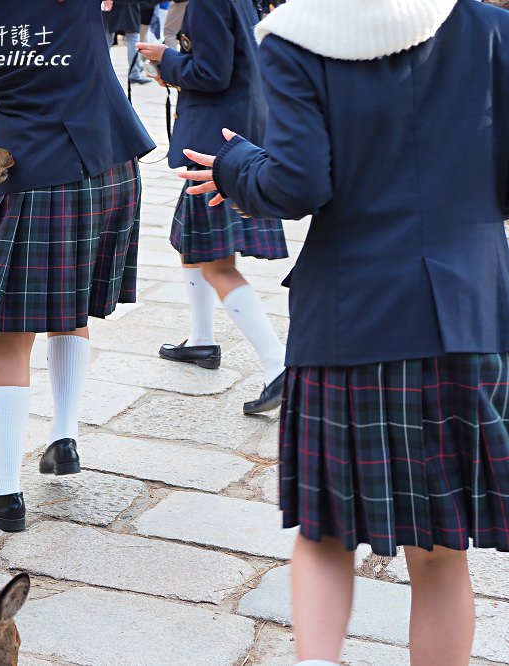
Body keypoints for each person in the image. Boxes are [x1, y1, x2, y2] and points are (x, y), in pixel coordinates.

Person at [180, 1, 509, 664]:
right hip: (470, 314)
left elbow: (299, 183)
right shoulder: (492, 28)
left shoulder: (299, 34)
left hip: (352, 314)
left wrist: (234, 164)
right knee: (441, 552)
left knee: (325, 535)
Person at [0, 0, 154, 532]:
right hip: (109, 165)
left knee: (9, 336)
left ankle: (5, 490)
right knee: (71, 308)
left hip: (38, 173)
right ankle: (64, 440)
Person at [137, 0, 287, 415]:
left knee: (218, 263)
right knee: (193, 246)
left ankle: (278, 363)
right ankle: (201, 340)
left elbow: (211, 73)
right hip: (238, 134)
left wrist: (166, 60)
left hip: (216, 145)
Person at [104, 0, 151, 85]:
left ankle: (101, 71)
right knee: (132, 37)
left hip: (116, 4)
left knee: (107, 37)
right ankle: (134, 73)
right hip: (126, 4)